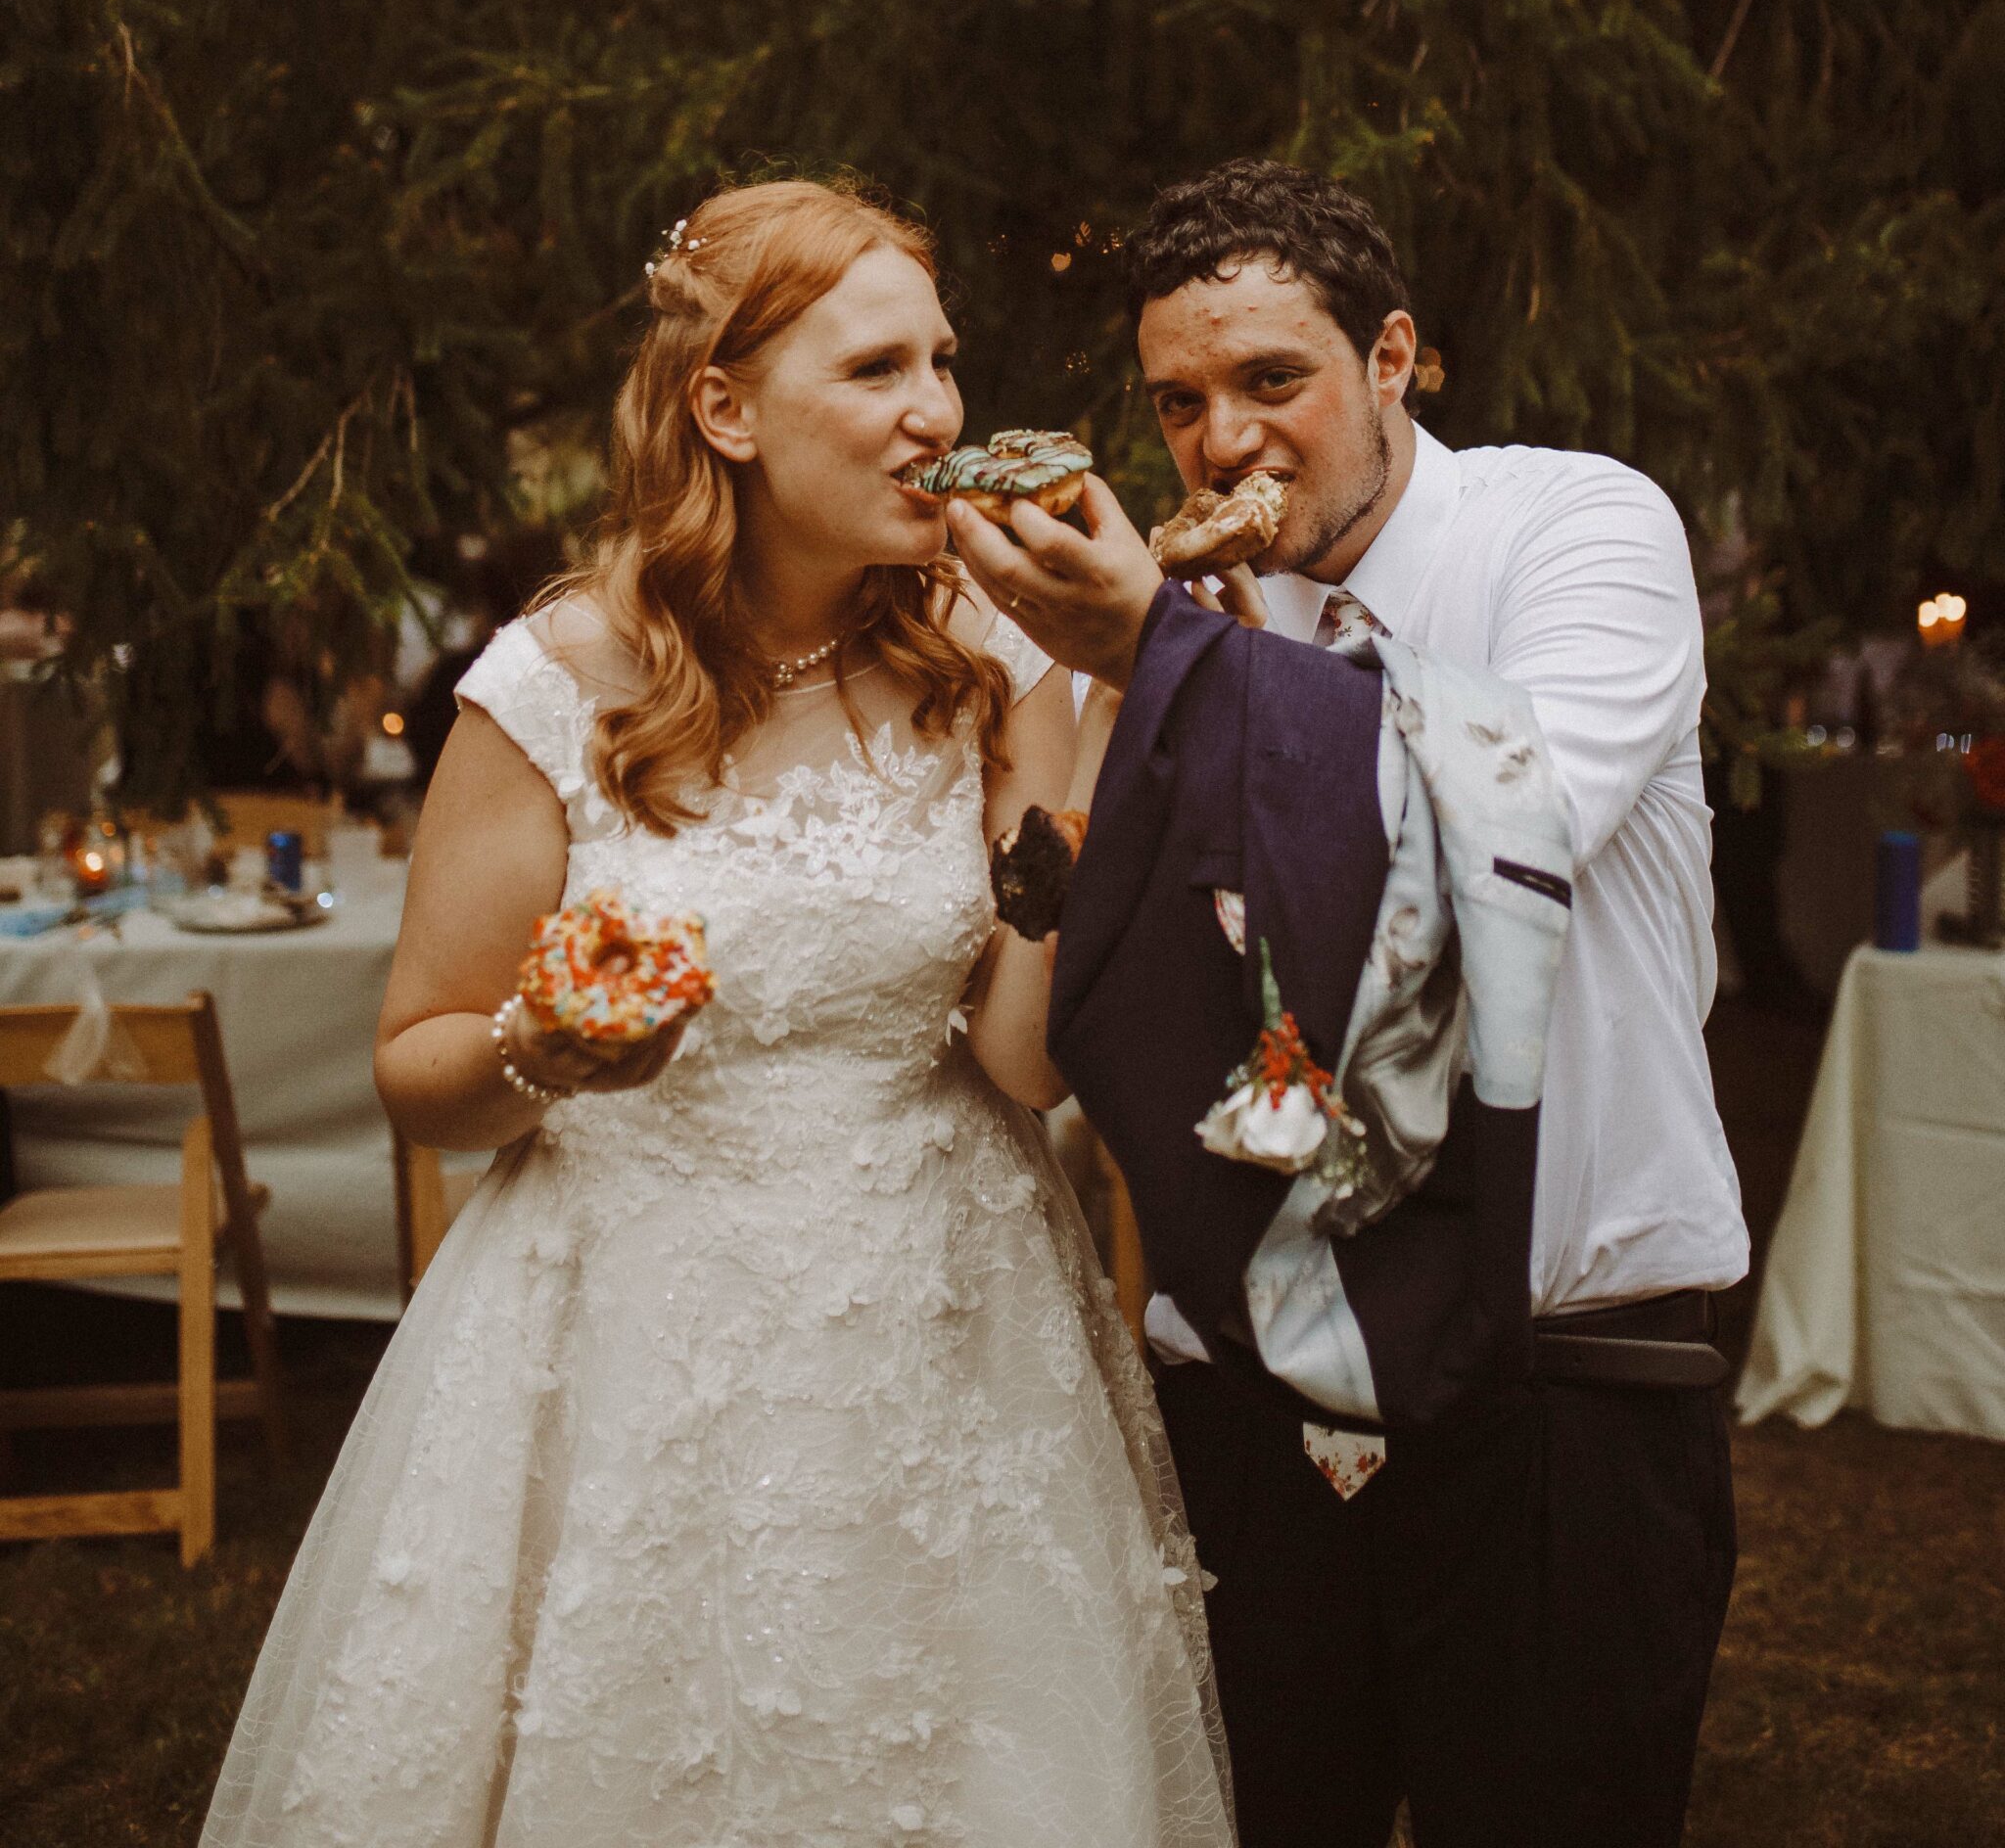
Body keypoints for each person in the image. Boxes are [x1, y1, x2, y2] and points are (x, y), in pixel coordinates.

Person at [201, 179, 1234, 1848]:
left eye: (945, 363)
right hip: (627, 1331)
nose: (939, 414)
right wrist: (546, 1051)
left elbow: (1020, 1061)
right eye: (878, 369)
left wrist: (1088, 775)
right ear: (725, 408)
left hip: (944, 1323)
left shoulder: (995, 656)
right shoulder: (557, 680)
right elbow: (422, 1067)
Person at [950, 158, 1748, 1848]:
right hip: (1246, 1395)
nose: (1223, 442)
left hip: (1563, 1380)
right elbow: (1070, 1018)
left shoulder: (1578, 529)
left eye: (1271, 382)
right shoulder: (1159, 626)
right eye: (1180, 402)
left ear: (1394, 361)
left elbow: (1498, 822)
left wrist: (1162, 659)